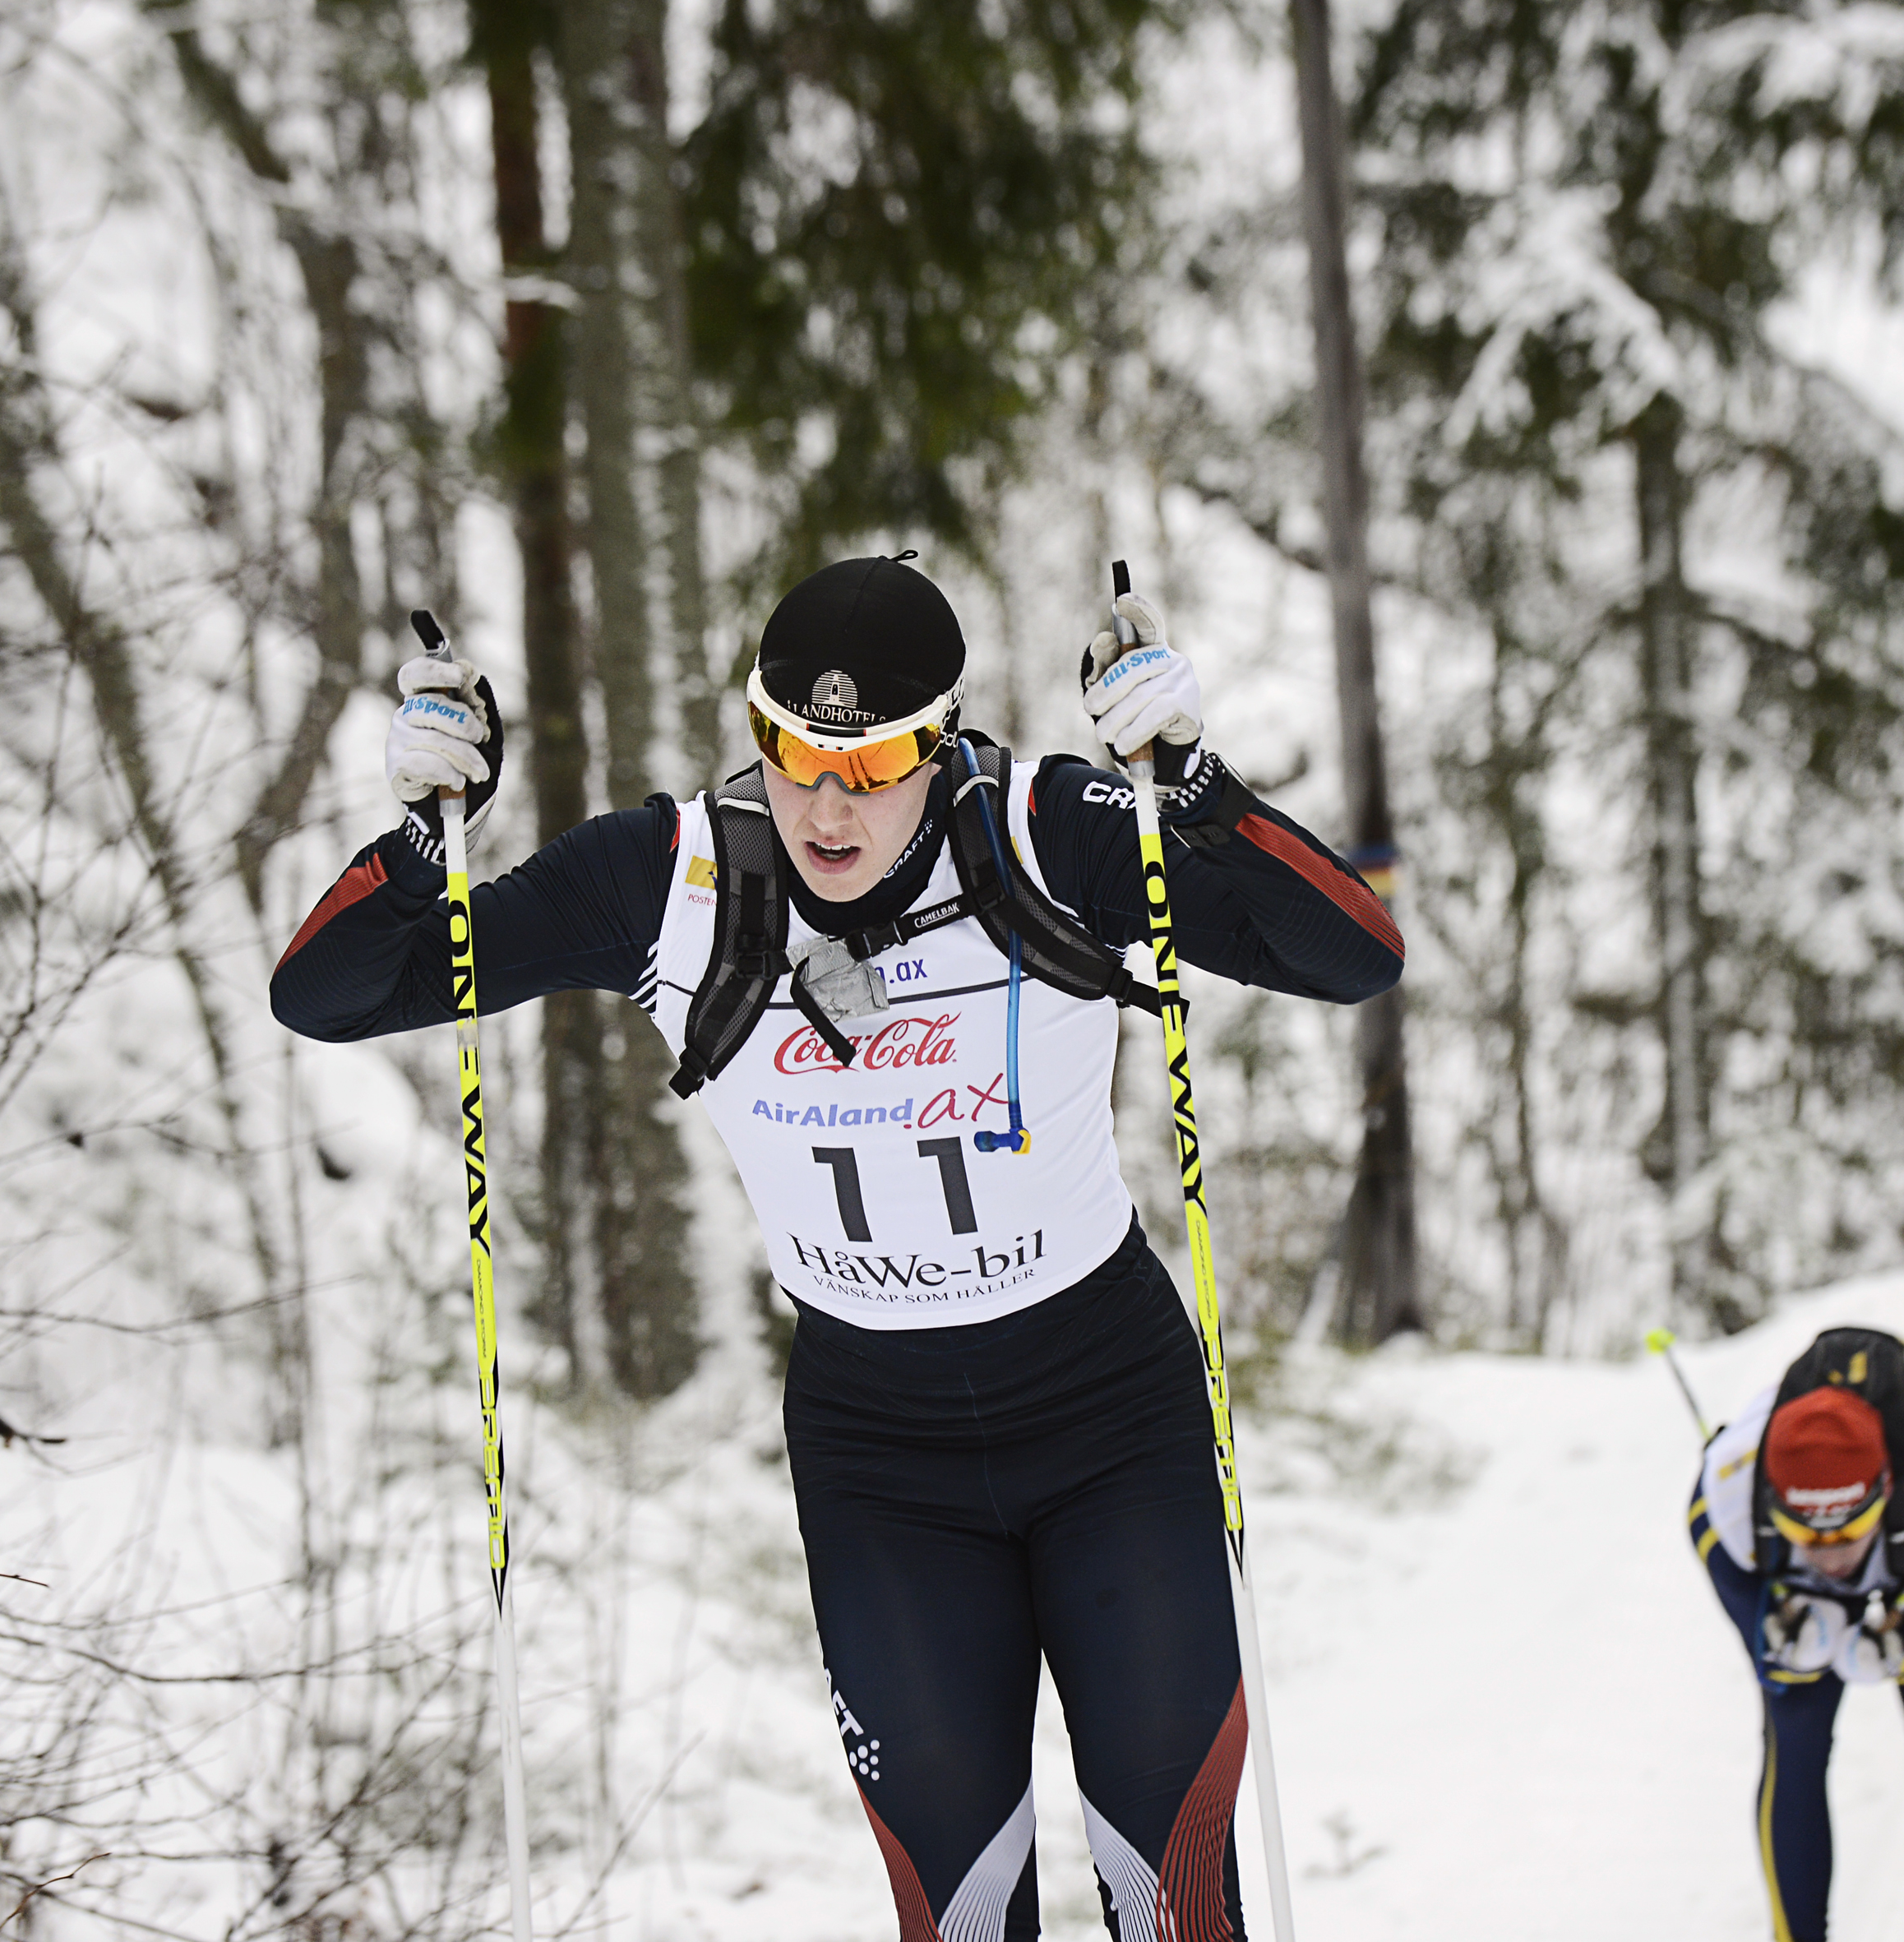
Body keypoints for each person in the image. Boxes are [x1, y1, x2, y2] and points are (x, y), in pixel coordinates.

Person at [272, 556, 1403, 1940]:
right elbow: (330, 991)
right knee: (959, 1915)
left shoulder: (1048, 831)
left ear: (939, 745)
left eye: (869, 767)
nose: (825, 803)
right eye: (795, 754)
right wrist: (417, 841)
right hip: (883, 1462)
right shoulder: (674, 878)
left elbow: (1352, 953)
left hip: (1112, 1420)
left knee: (1174, 1901)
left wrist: (1193, 790)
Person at [1687, 1329, 1904, 1942]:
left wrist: (1902, 1649)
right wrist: (1783, 1643)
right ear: (1772, 1504)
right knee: (1794, 1733)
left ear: (1883, 1493)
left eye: (1847, 1532)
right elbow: (1768, 1657)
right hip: (1804, 1570)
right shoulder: (1721, 1507)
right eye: (1809, 1535)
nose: (1830, 1553)